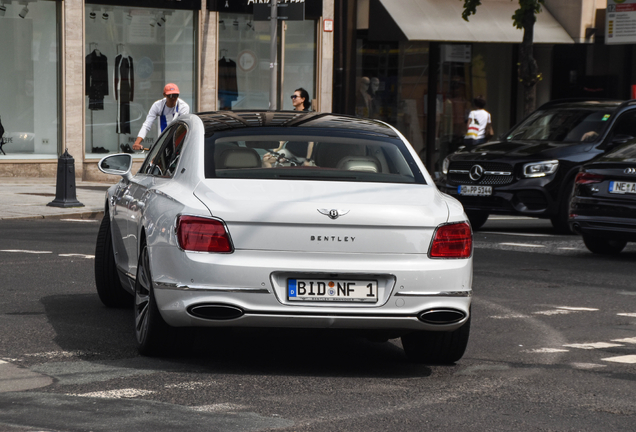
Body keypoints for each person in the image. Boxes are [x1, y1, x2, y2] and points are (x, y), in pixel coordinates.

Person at [132, 83, 190, 151]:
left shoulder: (183, 107)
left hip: (177, 140)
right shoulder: (157, 105)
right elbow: (147, 124)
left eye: (176, 95)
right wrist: (137, 142)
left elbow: (181, 127)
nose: (173, 98)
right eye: (170, 95)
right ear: (165, 95)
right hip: (162, 139)